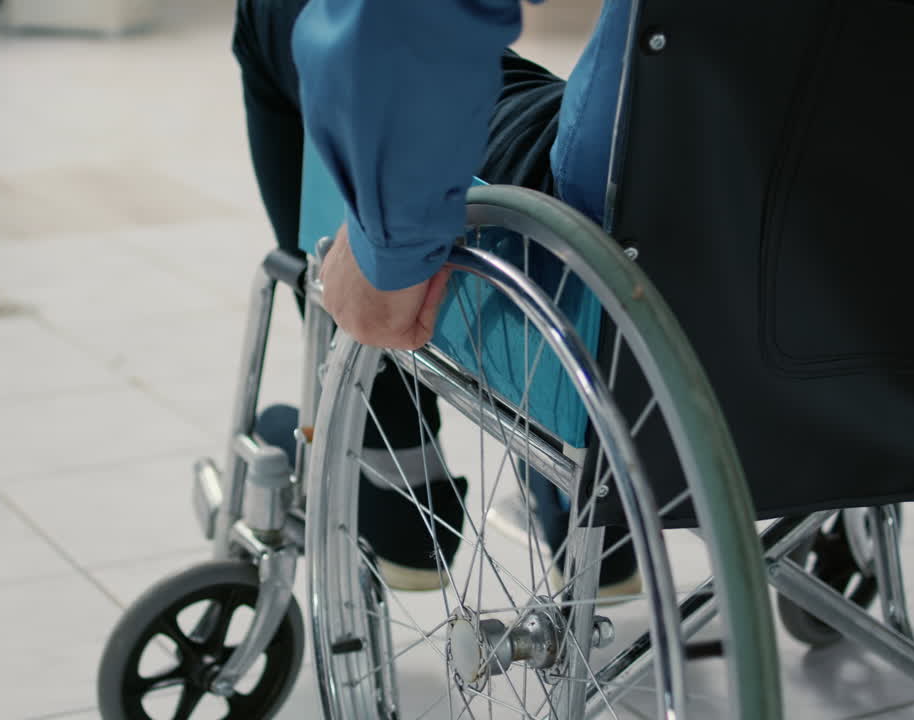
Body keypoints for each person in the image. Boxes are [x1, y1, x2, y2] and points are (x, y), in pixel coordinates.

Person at [234, 0, 639, 594]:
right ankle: (584, 503)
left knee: (281, 11)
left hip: (601, 222)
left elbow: (420, 23)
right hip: (805, 312)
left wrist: (383, 255)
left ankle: (395, 470)